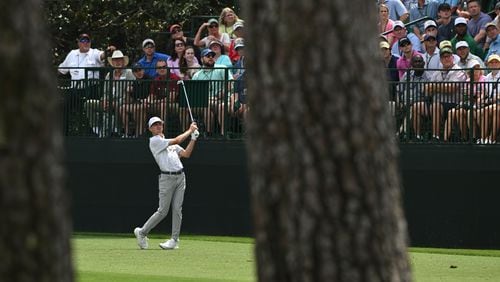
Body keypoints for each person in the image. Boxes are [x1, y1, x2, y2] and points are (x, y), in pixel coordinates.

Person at [133, 117, 199, 250]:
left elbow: (186, 154)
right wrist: (190, 130)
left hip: (181, 177)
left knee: (177, 209)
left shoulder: (171, 144)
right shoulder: (155, 141)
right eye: (154, 125)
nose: (158, 126)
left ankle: (174, 240)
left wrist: (193, 138)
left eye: (159, 124)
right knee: (162, 211)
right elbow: (177, 140)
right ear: (150, 129)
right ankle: (142, 232)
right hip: (166, 179)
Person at [58, 33, 115, 135]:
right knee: (63, 106)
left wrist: (108, 51)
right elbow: (62, 70)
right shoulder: (72, 54)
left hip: (91, 88)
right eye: (83, 40)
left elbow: (102, 55)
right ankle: (63, 134)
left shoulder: (94, 52)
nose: (86, 43)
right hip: (75, 89)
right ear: (78, 42)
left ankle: (93, 133)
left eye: (87, 40)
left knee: (91, 108)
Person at [84, 50, 135, 137]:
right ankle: (96, 128)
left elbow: (133, 91)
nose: (117, 62)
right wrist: (104, 100)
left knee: (118, 107)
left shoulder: (129, 73)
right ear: (113, 62)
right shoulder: (109, 75)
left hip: (123, 102)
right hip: (108, 102)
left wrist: (116, 102)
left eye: (119, 60)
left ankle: (116, 131)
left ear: (123, 61)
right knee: (88, 103)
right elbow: (105, 91)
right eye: (115, 60)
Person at [424, 47, 467, 141]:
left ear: (453, 57)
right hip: (438, 103)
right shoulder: (437, 72)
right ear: (440, 60)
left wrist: (435, 87)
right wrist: (442, 87)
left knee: (435, 106)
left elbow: (451, 88)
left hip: (454, 103)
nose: (446, 59)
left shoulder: (459, 71)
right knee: (434, 106)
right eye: (444, 57)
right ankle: (436, 136)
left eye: (448, 56)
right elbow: (427, 89)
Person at [192, 49, 233, 135]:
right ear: (202, 59)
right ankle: (209, 133)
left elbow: (231, 83)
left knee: (221, 106)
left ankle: (223, 134)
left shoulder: (222, 68)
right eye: (208, 56)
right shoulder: (197, 75)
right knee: (206, 106)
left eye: (212, 56)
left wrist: (221, 94)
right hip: (206, 102)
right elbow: (194, 93)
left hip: (224, 100)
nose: (211, 57)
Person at [445, 59, 485, 141]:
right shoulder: (467, 81)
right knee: (454, 112)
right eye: (474, 68)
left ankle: (474, 138)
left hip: (480, 105)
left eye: (477, 68)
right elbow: (465, 96)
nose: (476, 71)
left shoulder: (484, 79)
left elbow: (484, 95)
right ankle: (450, 138)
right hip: (469, 104)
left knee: (471, 113)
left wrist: (476, 99)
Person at [120, 63, 152, 137]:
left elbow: (152, 94)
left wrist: (147, 100)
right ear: (133, 73)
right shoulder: (134, 82)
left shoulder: (149, 79)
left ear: (143, 70)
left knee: (137, 109)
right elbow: (129, 100)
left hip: (149, 103)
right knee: (122, 108)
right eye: (135, 71)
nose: (138, 73)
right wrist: (127, 92)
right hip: (137, 103)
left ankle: (139, 133)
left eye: (139, 70)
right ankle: (127, 132)